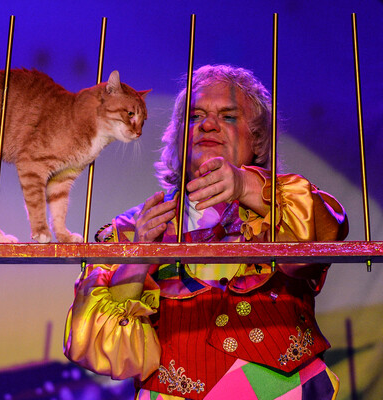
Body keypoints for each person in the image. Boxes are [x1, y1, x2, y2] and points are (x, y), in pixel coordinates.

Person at [63, 65, 348, 400]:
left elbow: (320, 241)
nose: (208, 124)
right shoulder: (130, 228)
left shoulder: (287, 203)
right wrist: (136, 261)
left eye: (228, 116)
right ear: (178, 138)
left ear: (257, 138)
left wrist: (245, 185)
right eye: (195, 116)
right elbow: (97, 347)